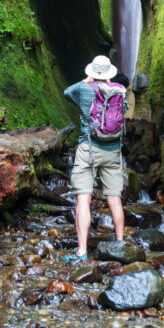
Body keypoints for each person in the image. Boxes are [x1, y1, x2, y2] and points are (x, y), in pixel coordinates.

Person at [61, 55, 127, 263]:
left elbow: (66, 93)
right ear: (109, 73)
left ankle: (81, 251)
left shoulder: (83, 89)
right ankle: (120, 243)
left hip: (88, 148)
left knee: (83, 198)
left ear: (92, 72)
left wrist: (86, 80)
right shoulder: (120, 90)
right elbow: (121, 113)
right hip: (113, 151)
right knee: (114, 198)